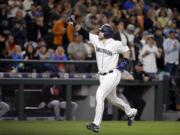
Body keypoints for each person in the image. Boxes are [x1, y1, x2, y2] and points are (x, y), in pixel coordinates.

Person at [72, 20, 137, 132]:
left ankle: (96, 124)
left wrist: (124, 61)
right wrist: (73, 23)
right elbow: (83, 31)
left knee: (99, 95)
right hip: (102, 76)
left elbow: (127, 51)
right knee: (113, 99)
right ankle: (131, 112)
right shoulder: (96, 40)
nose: (99, 32)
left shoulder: (115, 43)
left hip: (113, 74)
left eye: (101, 31)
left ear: (106, 32)